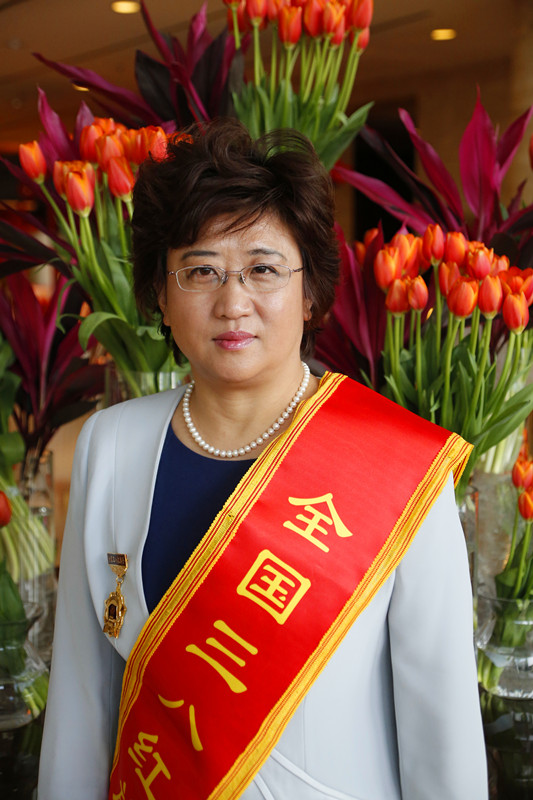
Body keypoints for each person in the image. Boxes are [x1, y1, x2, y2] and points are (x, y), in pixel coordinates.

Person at [38, 118, 487, 800]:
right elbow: (82, 693)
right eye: (200, 271)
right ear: (161, 296)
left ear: (308, 294)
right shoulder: (110, 442)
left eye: (263, 269)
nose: (232, 302)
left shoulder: (395, 466)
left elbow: (441, 737)